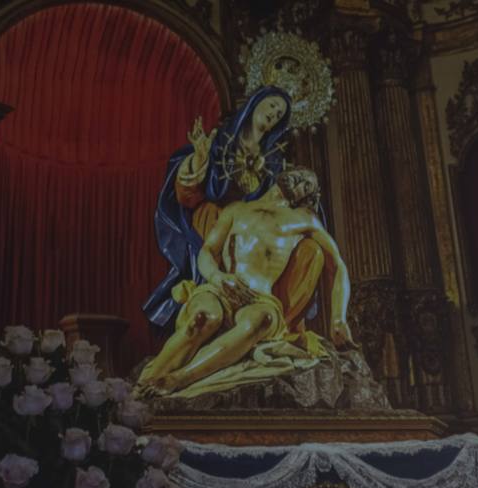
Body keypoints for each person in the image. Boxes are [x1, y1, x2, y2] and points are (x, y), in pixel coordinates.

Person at [136, 166, 353, 398]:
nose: (301, 179)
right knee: (203, 318)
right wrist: (219, 278)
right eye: (299, 174)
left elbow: (337, 265)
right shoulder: (237, 210)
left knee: (261, 321)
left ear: (309, 196)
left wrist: (339, 318)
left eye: (308, 183)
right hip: (221, 287)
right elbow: (208, 251)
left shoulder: (304, 219)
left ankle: (178, 379)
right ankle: (142, 387)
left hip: (259, 299)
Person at [144, 87, 306, 328]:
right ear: (255, 103)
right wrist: (199, 158)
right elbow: (186, 197)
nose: (274, 113)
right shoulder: (219, 142)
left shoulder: (273, 161)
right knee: (212, 220)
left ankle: (269, 322)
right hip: (217, 220)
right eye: (272, 105)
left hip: (255, 227)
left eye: (280, 113)